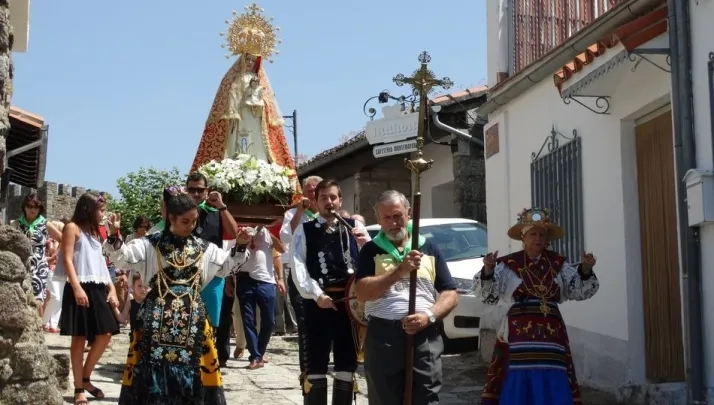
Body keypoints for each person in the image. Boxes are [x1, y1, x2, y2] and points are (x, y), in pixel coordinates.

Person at [104, 189, 250, 405]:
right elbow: (122, 257)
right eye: (185, 221)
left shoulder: (204, 248)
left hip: (194, 323)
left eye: (194, 221)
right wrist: (114, 236)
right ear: (171, 218)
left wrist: (241, 244)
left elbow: (227, 266)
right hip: (155, 321)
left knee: (197, 370)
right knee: (150, 371)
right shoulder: (150, 244)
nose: (190, 226)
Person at [476, 207, 600, 405]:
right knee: (520, 371)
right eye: (533, 234)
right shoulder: (509, 264)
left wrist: (585, 269)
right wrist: (489, 270)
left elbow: (577, 290)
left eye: (542, 234)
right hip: (520, 332)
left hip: (552, 333)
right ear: (523, 238)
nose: (538, 238)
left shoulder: (558, 263)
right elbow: (489, 295)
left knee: (554, 369)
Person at [354, 190, 458, 405]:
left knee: (427, 397)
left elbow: (449, 294)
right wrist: (399, 271)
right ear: (378, 220)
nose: (393, 223)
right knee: (384, 398)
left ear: (409, 214)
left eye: (397, 215)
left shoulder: (429, 247)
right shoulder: (370, 250)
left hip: (425, 334)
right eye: (387, 217)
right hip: (383, 336)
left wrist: (428, 316)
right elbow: (362, 293)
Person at [291, 179, 371, 405]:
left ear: (340, 200)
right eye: (324, 197)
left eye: (333, 197)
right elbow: (298, 266)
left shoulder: (354, 226)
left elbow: (371, 261)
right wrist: (317, 295)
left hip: (349, 303)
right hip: (317, 302)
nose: (329, 202)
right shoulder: (304, 230)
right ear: (316, 202)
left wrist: (365, 244)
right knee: (316, 360)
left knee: (347, 361)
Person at [190, 5, 293, 172]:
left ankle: (260, 162)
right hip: (240, 116)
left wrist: (260, 103)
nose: (250, 63)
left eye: (253, 60)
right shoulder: (235, 78)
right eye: (248, 59)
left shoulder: (261, 80)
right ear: (243, 60)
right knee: (238, 141)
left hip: (255, 116)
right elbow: (230, 95)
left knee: (256, 141)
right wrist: (234, 110)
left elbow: (269, 103)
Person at [56, 193, 120, 405]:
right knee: (79, 338)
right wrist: (76, 288)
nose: (103, 214)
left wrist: (111, 287)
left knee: (106, 333)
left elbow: (101, 263)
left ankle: (85, 377)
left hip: (98, 286)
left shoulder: (95, 233)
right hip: (79, 285)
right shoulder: (72, 228)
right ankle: (78, 388)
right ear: (88, 209)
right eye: (101, 210)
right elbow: (67, 259)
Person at [185, 172, 238, 367]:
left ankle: (213, 359)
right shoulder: (180, 213)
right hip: (186, 274)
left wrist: (221, 206)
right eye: (192, 190)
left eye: (200, 190)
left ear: (206, 191)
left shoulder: (217, 212)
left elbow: (234, 232)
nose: (196, 194)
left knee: (214, 320)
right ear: (186, 190)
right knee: (188, 317)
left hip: (214, 275)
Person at [279, 175, 322, 397]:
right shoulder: (293, 213)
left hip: (322, 276)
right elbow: (286, 237)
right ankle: (307, 373)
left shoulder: (327, 212)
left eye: (316, 190)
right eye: (308, 190)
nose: (312, 193)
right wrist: (299, 211)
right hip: (299, 275)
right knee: (305, 324)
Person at [225, 224, 286, 369]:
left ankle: (259, 351)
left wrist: (280, 279)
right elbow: (229, 258)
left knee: (269, 321)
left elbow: (282, 250)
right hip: (244, 280)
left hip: (267, 281)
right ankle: (255, 357)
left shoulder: (268, 231)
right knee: (248, 320)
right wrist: (228, 281)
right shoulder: (238, 229)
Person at [13, 192, 62, 309]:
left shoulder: (45, 223)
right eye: (29, 206)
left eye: (36, 206)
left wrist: (54, 256)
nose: (32, 209)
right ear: (24, 207)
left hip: (39, 268)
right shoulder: (15, 224)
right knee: (20, 300)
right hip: (20, 267)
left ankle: (39, 321)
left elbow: (63, 239)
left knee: (38, 301)